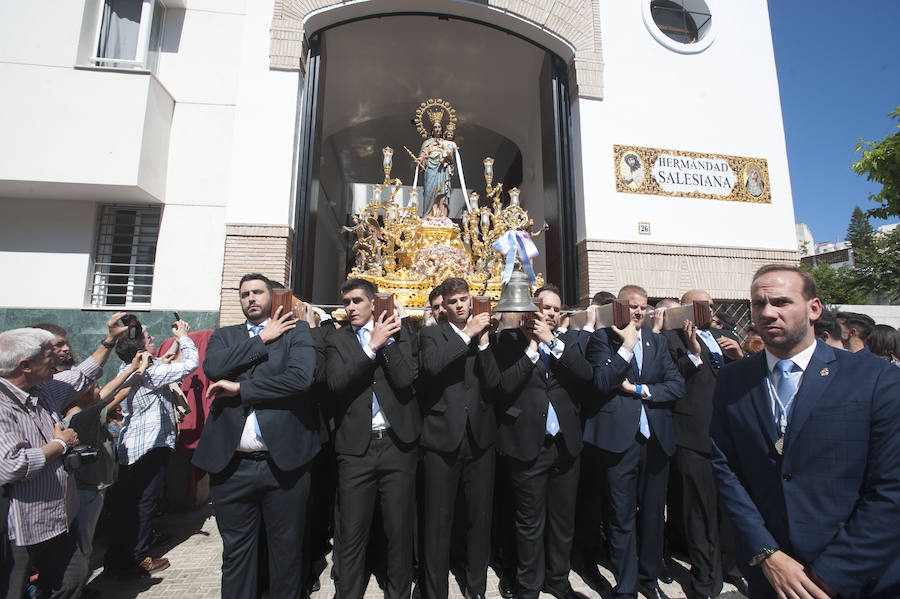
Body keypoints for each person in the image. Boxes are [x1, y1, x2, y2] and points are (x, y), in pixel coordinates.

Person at [710, 264, 900, 598]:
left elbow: (892, 487)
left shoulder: (874, 378)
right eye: (759, 303)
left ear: (814, 309)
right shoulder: (732, 379)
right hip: (772, 575)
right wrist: (766, 553)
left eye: (781, 302)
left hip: (856, 577)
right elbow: (725, 469)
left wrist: (831, 575)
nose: (768, 312)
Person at [191, 274, 317, 599]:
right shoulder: (226, 336)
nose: (251, 298)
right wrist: (261, 339)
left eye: (257, 292)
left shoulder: (296, 332)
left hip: (283, 466)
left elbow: (299, 379)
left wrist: (241, 388)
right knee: (236, 554)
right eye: (245, 294)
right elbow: (214, 367)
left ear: (271, 296)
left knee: (285, 553)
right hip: (232, 467)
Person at [584, 284, 685, 599]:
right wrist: (626, 346)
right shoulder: (602, 339)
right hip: (619, 442)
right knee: (621, 516)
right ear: (618, 307)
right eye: (632, 306)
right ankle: (626, 586)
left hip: (655, 440)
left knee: (654, 514)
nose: (638, 311)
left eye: (643, 306)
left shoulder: (657, 341)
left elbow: (676, 385)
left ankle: (649, 578)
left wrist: (639, 389)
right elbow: (603, 381)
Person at [494, 285, 593, 599]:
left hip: (565, 445)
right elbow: (504, 387)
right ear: (529, 309)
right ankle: (529, 586)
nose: (549, 313)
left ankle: (558, 580)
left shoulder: (568, 342)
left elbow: (587, 375)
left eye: (555, 309)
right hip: (527, 444)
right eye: (544, 307)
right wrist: (533, 347)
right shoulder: (508, 341)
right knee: (529, 522)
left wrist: (552, 342)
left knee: (563, 521)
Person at [326, 278, 420, 599]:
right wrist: (369, 347)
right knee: (352, 532)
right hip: (356, 450)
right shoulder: (338, 340)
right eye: (346, 302)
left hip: (397, 446)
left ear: (373, 302)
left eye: (357, 301)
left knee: (398, 530)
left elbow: (405, 380)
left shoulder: (401, 333)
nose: (350, 308)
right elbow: (336, 383)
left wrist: (386, 340)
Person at [662, 290, 747, 599]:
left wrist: (740, 358)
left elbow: (746, 381)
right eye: (701, 305)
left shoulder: (728, 337)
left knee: (729, 507)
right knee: (698, 509)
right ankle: (706, 578)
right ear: (686, 309)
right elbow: (671, 381)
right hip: (692, 434)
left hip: (729, 435)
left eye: (711, 305)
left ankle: (732, 566)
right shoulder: (671, 338)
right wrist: (693, 352)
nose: (709, 310)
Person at [418, 277, 499, 599]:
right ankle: (435, 590)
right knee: (438, 520)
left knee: (480, 518)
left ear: (470, 299)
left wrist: (484, 342)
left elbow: (493, 383)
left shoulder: (484, 335)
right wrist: (466, 335)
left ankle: (476, 588)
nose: (460, 305)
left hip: (480, 439)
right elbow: (432, 367)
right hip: (442, 439)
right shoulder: (432, 334)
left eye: (464, 299)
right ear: (445, 307)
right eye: (453, 302)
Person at [104, 315, 199, 577]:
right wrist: (184, 338)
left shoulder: (127, 368)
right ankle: (137, 558)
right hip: (150, 446)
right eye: (148, 338)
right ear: (140, 350)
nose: (153, 338)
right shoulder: (152, 373)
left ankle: (116, 558)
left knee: (127, 503)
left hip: (132, 446)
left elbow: (160, 364)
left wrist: (171, 350)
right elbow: (191, 364)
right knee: (145, 502)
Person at [0, 328, 88, 599]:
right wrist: (60, 444)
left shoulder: (42, 390)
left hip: (60, 518)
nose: (58, 358)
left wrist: (109, 341)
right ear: (25, 365)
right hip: (22, 526)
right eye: (49, 354)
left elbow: (82, 376)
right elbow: (11, 466)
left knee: (72, 579)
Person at [63, 350, 152, 562]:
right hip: (87, 487)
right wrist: (139, 370)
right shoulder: (83, 417)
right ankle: (78, 578)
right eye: (95, 387)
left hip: (92, 485)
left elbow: (112, 390)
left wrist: (133, 369)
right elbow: (119, 393)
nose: (100, 389)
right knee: (83, 542)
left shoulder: (84, 411)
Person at [417, 120, 455, 219]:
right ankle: (428, 215)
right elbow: (423, 154)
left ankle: (441, 215)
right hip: (430, 169)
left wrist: (448, 157)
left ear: (442, 129)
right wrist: (420, 160)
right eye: (435, 127)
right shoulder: (427, 143)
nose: (437, 129)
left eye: (439, 127)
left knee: (442, 191)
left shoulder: (445, 142)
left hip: (442, 169)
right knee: (429, 191)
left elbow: (451, 156)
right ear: (432, 130)